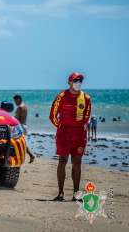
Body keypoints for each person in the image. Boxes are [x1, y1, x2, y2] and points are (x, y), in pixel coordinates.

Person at [50, 73, 91, 201]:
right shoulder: (61, 96)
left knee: (77, 163)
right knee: (62, 161)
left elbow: (86, 117)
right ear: (69, 82)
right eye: (76, 80)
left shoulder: (86, 98)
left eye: (80, 80)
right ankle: (61, 193)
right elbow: (52, 115)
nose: (78, 82)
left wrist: (80, 129)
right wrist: (61, 127)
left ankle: (76, 194)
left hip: (79, 135)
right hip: (64, 134)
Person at [13, 95, 35, 163]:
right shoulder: (24, 106)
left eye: (15, 101)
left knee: (19, 142)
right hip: (24, 126)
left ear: (19, 99)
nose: (15, 103)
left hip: (20, 127)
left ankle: (31, 155)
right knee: (21, 142)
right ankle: (30, 155)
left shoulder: (20, 108)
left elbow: (17, 119)